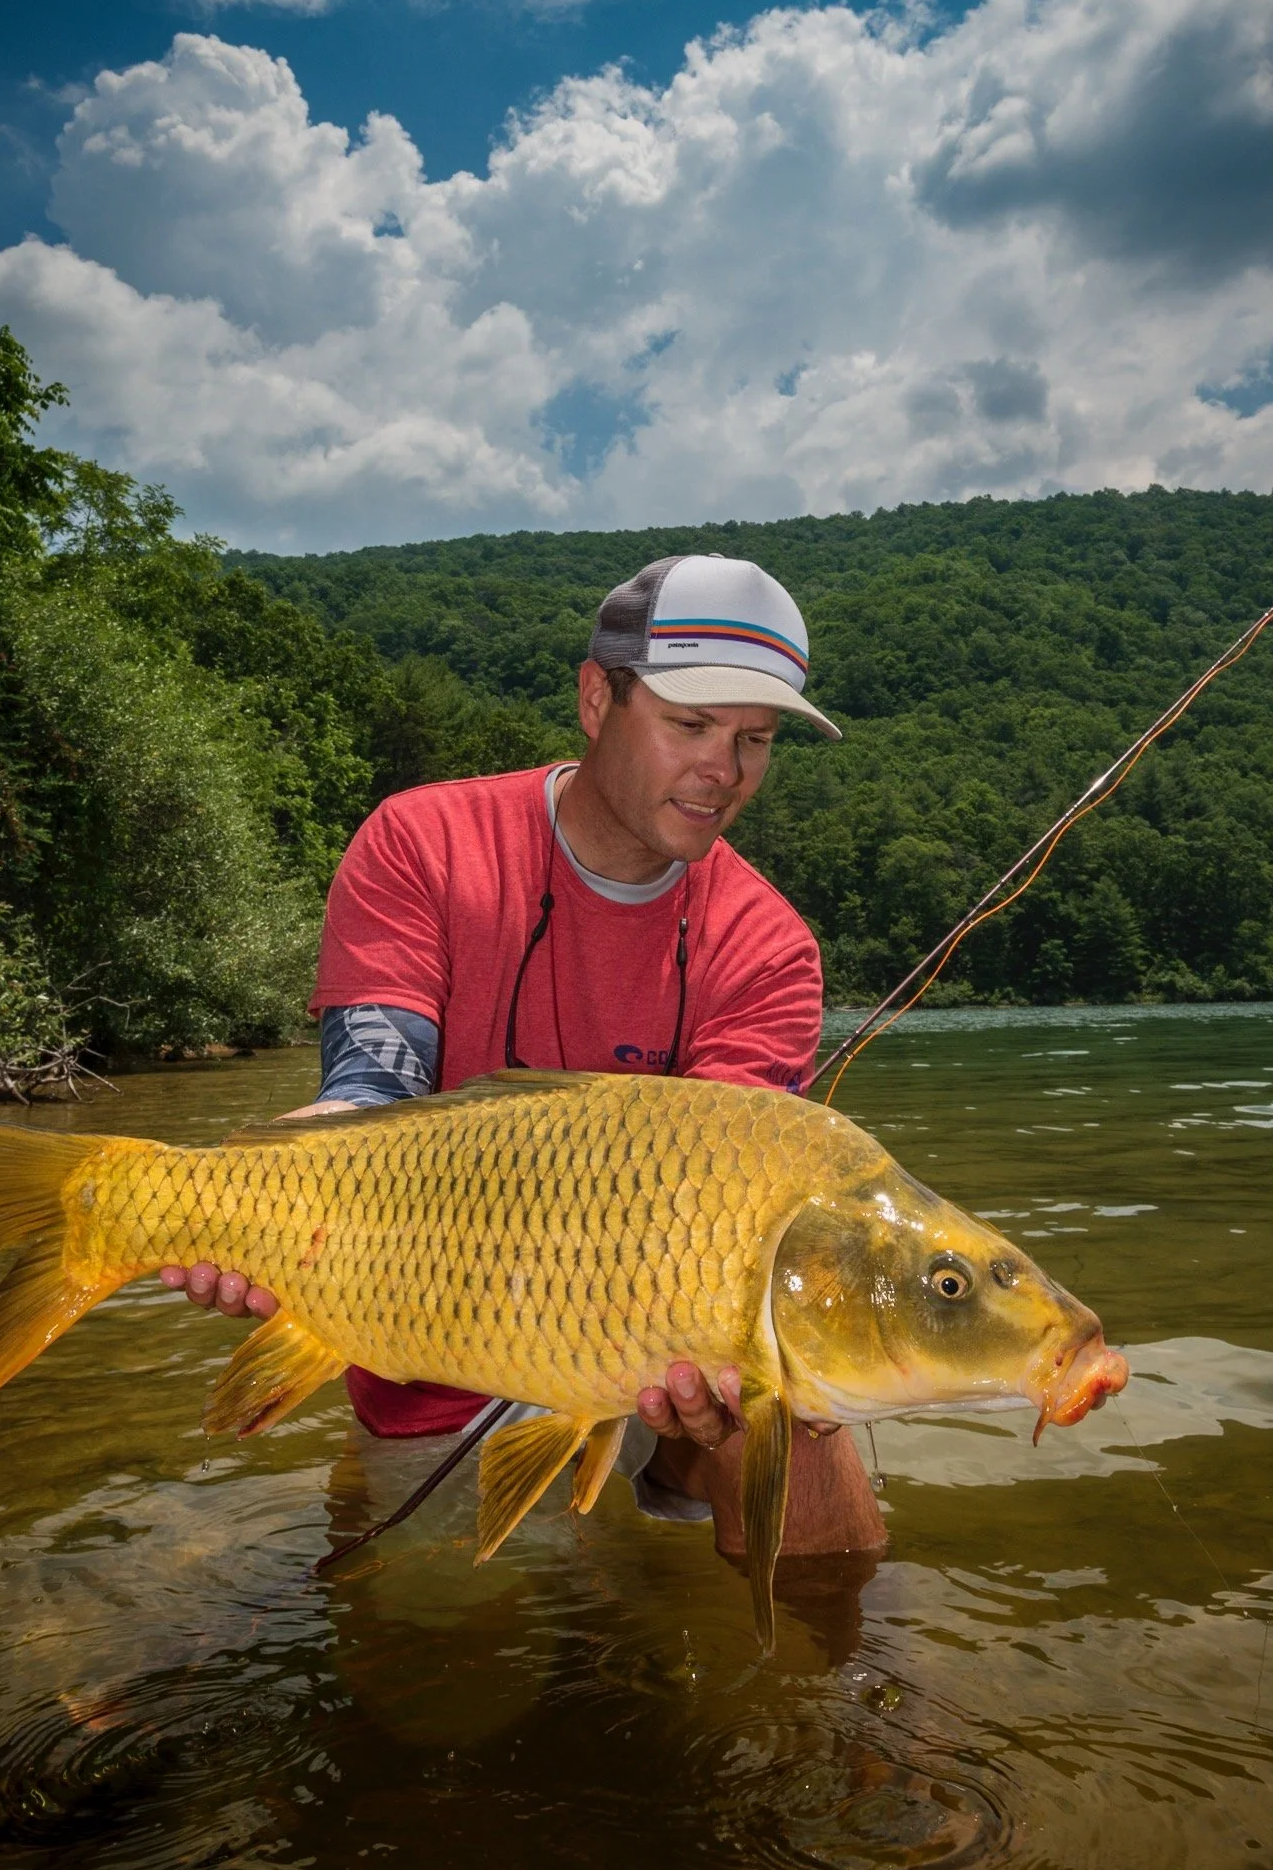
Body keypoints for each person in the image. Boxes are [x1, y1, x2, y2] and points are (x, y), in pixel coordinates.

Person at [163, 553, 886, 1561]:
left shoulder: (767, 946)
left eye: (753, 740)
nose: (722, 771)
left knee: (821, 1505)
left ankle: (835, 1699)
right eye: (689, 726)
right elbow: (372, 1085)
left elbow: (728, 1198)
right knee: (439, 1695)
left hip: (663, 1352)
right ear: (597, 699)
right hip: (436, 1354)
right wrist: (268, 1190)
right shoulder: (422, 841)